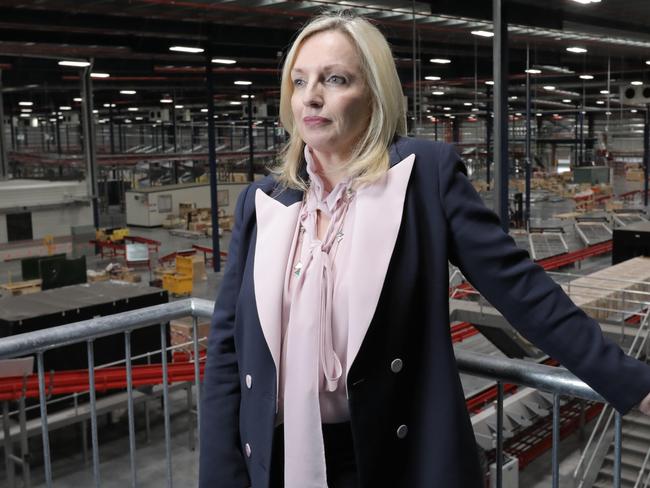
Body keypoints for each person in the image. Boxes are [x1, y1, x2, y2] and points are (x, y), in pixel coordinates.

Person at [199, 12, 650, 488]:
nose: (311, 95)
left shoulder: (421, 179)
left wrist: (633, 382)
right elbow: (228, 351)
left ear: (374, 93)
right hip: (279, 460)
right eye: (299, 81)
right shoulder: (263, 203)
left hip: (391, 455)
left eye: (335, 79)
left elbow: (523, 291)